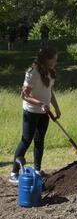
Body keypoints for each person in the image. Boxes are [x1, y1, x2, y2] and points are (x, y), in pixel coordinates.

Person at [9, 47, 61, 183]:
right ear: (46, 59)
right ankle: (14, 173)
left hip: (45, 112)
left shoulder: (50, 73)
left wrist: (56, 107)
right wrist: (40, 104)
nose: (56, 62)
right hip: (31, 112)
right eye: (54, 59)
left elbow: (50, 92)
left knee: (39, 140)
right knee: (26, 140)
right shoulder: (32, 73)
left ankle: (37, 170)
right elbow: (24, 95)